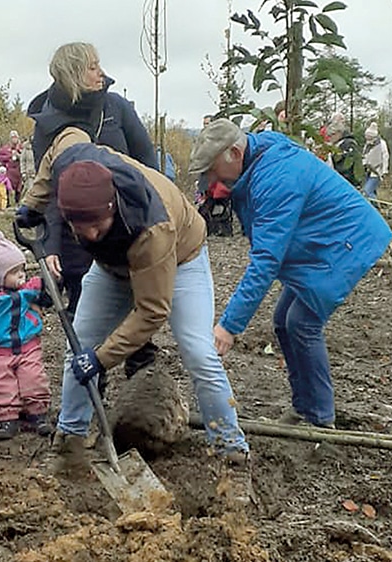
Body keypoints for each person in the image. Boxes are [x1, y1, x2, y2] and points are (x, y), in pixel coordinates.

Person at [15, 126, 251, 466]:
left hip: (181, 257)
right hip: (113, 268)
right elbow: (65, 136)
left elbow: (152, 312)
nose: (92, 233)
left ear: (112, 204)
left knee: (199, 353)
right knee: (78, 346)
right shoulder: (74, 159)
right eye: (82, 228)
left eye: (99, 224)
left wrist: (102, 359)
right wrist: (33, 203)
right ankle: (70, 442)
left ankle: (231, 453)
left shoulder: (153, 228)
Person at [188, 118, 392, 429]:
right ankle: (304, 407)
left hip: (346, 243)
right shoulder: (257, 157)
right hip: (323, 243)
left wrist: (229, 326)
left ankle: (321, 420)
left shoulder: (276, 178)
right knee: (283, 321)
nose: (211, 178)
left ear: (233, 153)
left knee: (301, 323)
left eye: (213, 169)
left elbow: (266, 260)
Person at [26, 42, 160, 378]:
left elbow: (148, 162)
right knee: (83, 312)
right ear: (73, 74)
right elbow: (49, 187)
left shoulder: (116, 108)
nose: (101, 72)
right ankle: (87, 393)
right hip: (75, 227)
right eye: (92, 66)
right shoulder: (47, 122)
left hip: (126, 220)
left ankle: (141, 386)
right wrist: (51, 247)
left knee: (135, 299)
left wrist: (154, 216)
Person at [0, 229, 53, 440]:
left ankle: (37, 413)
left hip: (28, 344)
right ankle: (6, 416)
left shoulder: (28, 290)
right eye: (16, 272)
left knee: (34, 378)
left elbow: (47, 296)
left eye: (23, 270)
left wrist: (51, 283)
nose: (22, 276)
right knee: (1, 383)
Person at [361, 122, 389, 200]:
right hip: (367, 171)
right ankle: (376, 207)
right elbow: (364, 156)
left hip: (376, 172)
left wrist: (384, 171)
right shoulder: (367, 145)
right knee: (371, 193)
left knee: (366, 192)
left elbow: (385, 157)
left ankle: (377, 205)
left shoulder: (382, 144)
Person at [0, 130, 24, 205]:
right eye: (12, 138)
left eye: (15, 137)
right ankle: (6, 202)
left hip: (19, 170)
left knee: (20, 187)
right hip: (9, 171)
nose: (14, 139)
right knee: (6, 185)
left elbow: (26, 157)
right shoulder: (5, 148)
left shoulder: (22, 147)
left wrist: (19, 155)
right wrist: (10, 156)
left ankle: (18, 201)